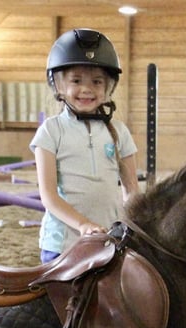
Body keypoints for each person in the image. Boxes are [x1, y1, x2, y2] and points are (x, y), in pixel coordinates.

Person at [30, 28, 140, 263]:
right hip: (63, 244)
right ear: (59, 85)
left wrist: (134, 223)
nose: (87, 89)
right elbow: (48, 195)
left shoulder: (119, 132)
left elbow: (131, 190)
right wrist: (83, 225)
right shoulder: (51, 131)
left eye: (97, 81)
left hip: (110, 239)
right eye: (76, 81)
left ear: (108, 86)